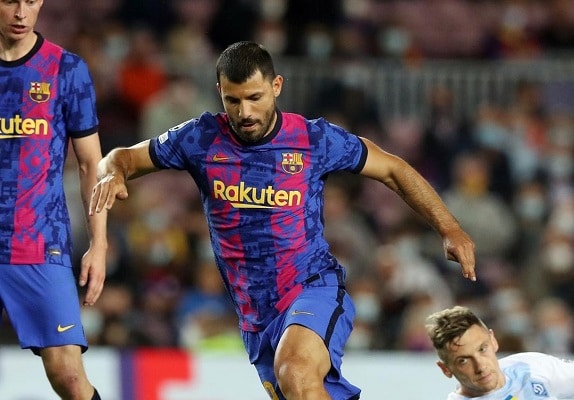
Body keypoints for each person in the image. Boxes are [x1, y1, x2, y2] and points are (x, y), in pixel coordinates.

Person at [90, 41, 476, 400]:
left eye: (254, 98)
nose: (244, 112)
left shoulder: (313, 139)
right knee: (298, 388)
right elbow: (122, 157)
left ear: (276, 86)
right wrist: (113, 173)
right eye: (233, 100)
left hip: (312, 287)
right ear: (220, 92)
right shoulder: (200, 138)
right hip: (255, 315)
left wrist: (450, 228)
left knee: (295, 371)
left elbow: (392, 169)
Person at [0, 1, 106, 399]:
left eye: (30, 1)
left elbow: (91, 164)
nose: (21, 12)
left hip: (40, 242)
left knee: (69, 378)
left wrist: (99, 243)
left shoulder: (66, 70)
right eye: (10, 1)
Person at [425, 306, 574, 400]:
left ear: (493, 341)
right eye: (464, 360)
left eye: (482, 349)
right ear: (446, 369)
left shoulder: (530, 366)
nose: (481, 367)